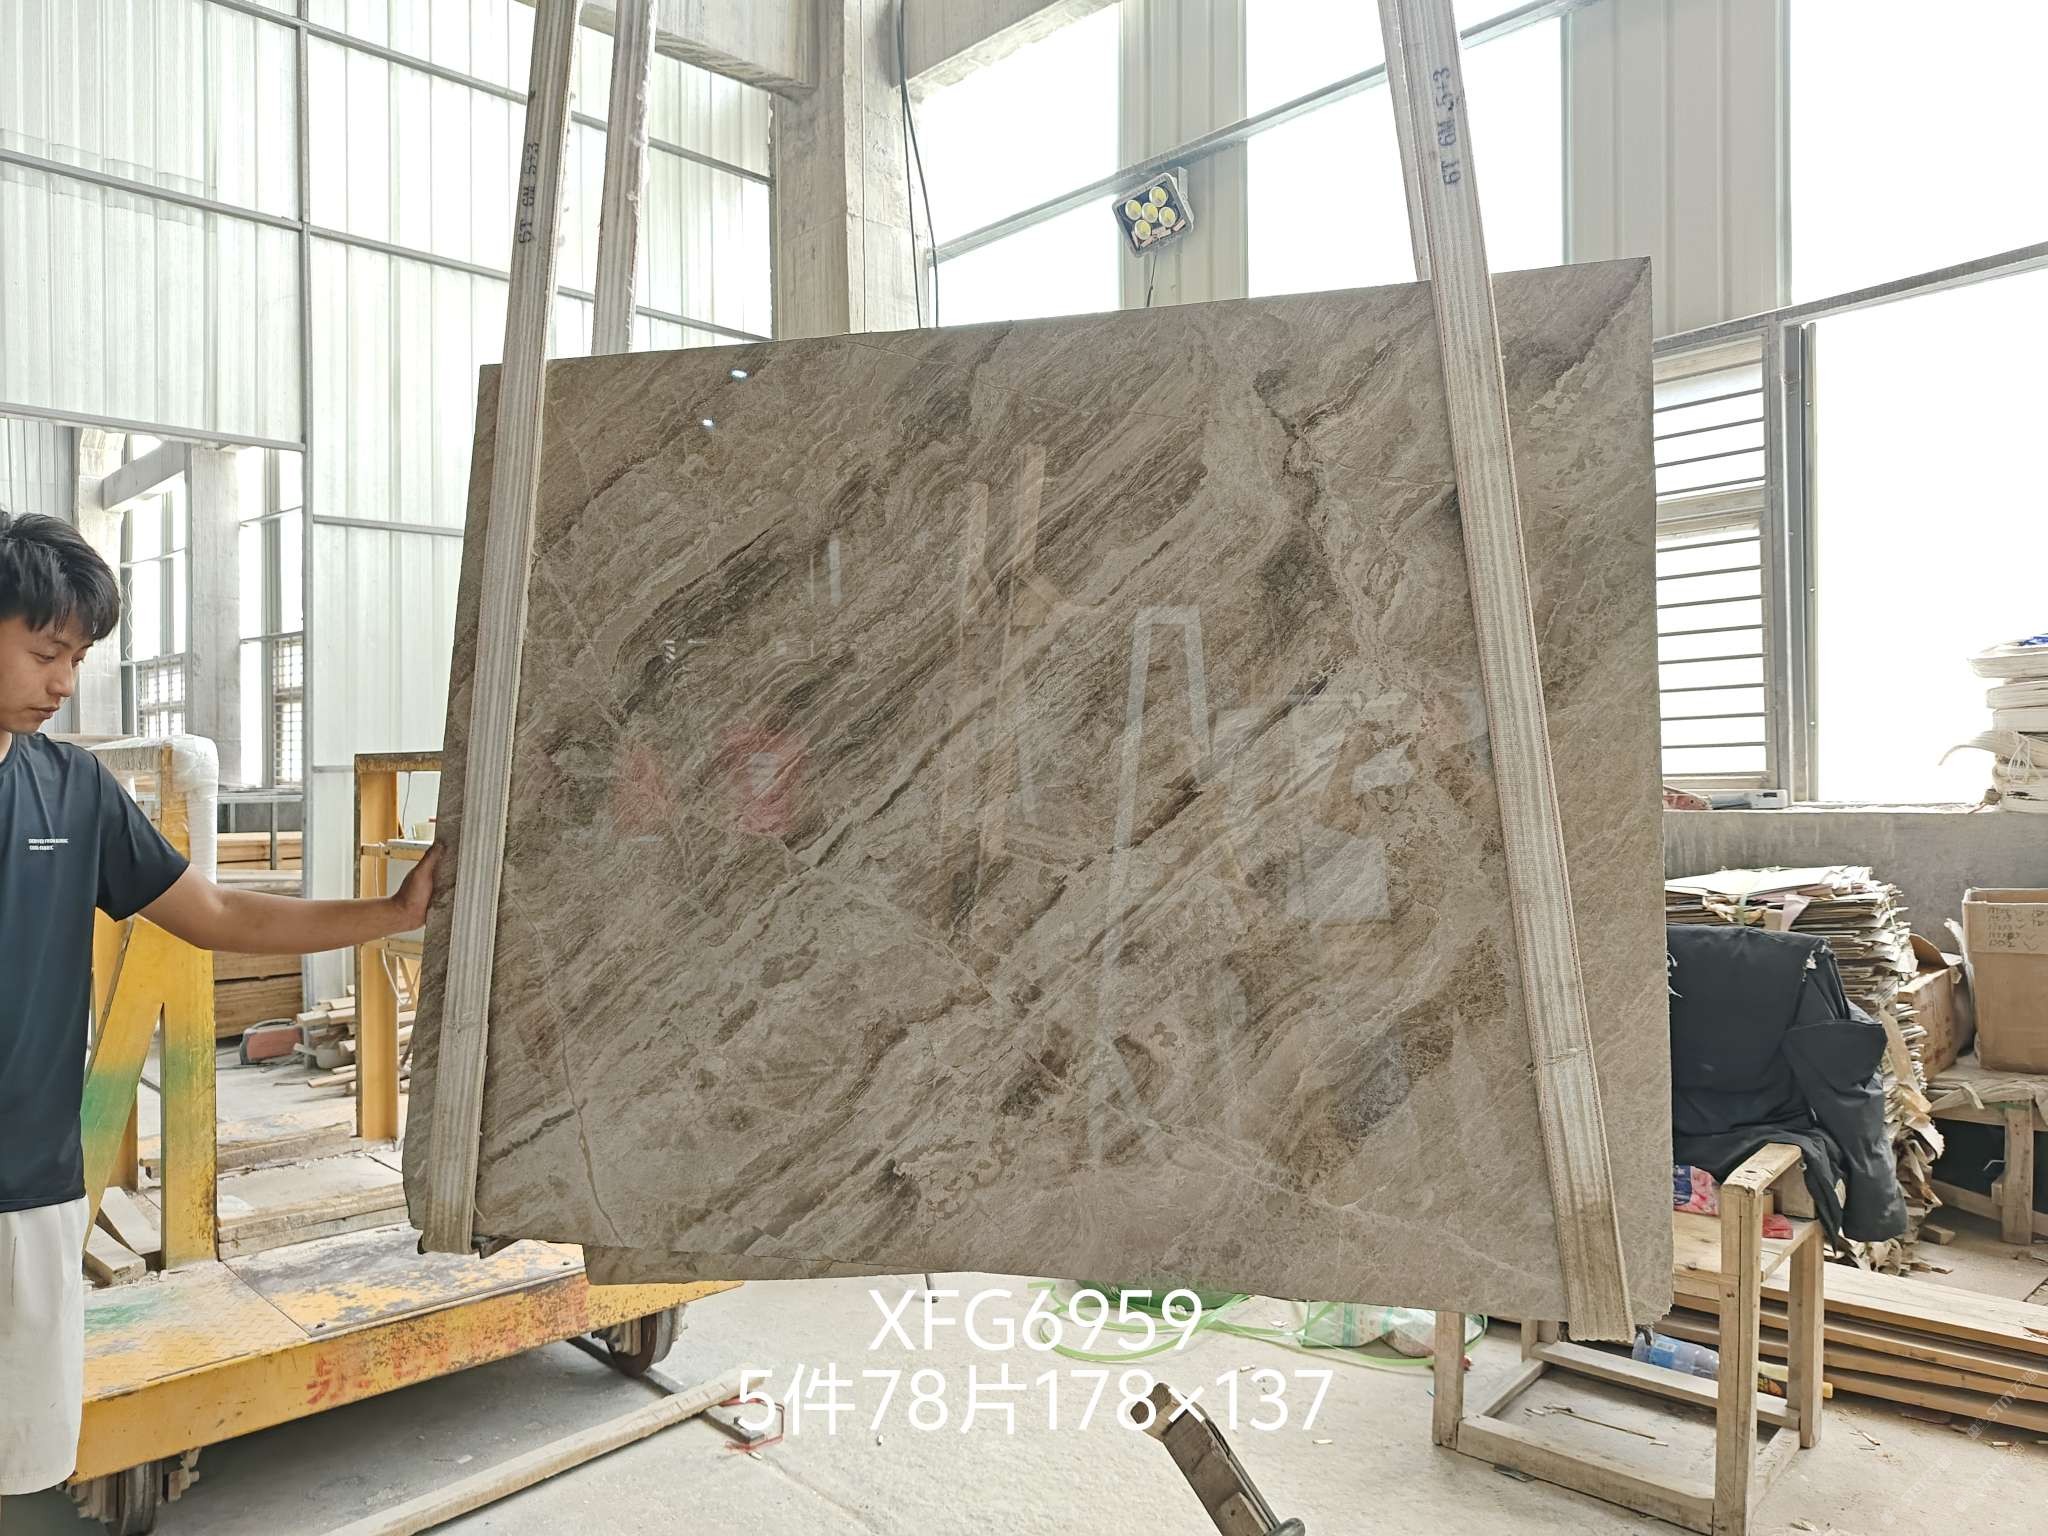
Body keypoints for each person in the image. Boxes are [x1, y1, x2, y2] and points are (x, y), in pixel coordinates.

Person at [0, 508, 442, 1506]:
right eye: (45, 653)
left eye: (77, 660)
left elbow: (218, 913)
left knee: (19, 1450)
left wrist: (389, 912)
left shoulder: (72, 792)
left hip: (26, 1183)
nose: (64, 684)